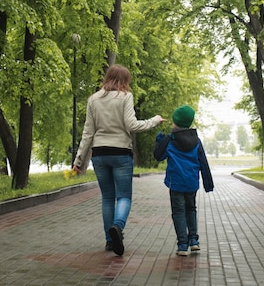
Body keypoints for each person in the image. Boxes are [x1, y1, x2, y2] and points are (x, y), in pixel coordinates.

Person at [73, 64, 166, 256]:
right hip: (120, 152)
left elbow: (87, 132)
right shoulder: (125, 97)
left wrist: (79, 160)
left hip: (99, 153)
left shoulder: (93, 99)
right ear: (124, 81)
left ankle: (109, 241)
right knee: (123, 196)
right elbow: (132, 125)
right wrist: (155, 120)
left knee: (107, 198)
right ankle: (117, 226)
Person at [154, 104, 214, 256]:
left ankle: (182, 244)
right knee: (191, 209)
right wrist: (208, 184)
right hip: (191, 183)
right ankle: (194, 240)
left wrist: (159, 141)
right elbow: (203, 162)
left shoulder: (169, 139)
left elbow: (158, 156)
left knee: (178, 212)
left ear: (175, 122)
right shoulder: (197, 141)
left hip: (176, 183)